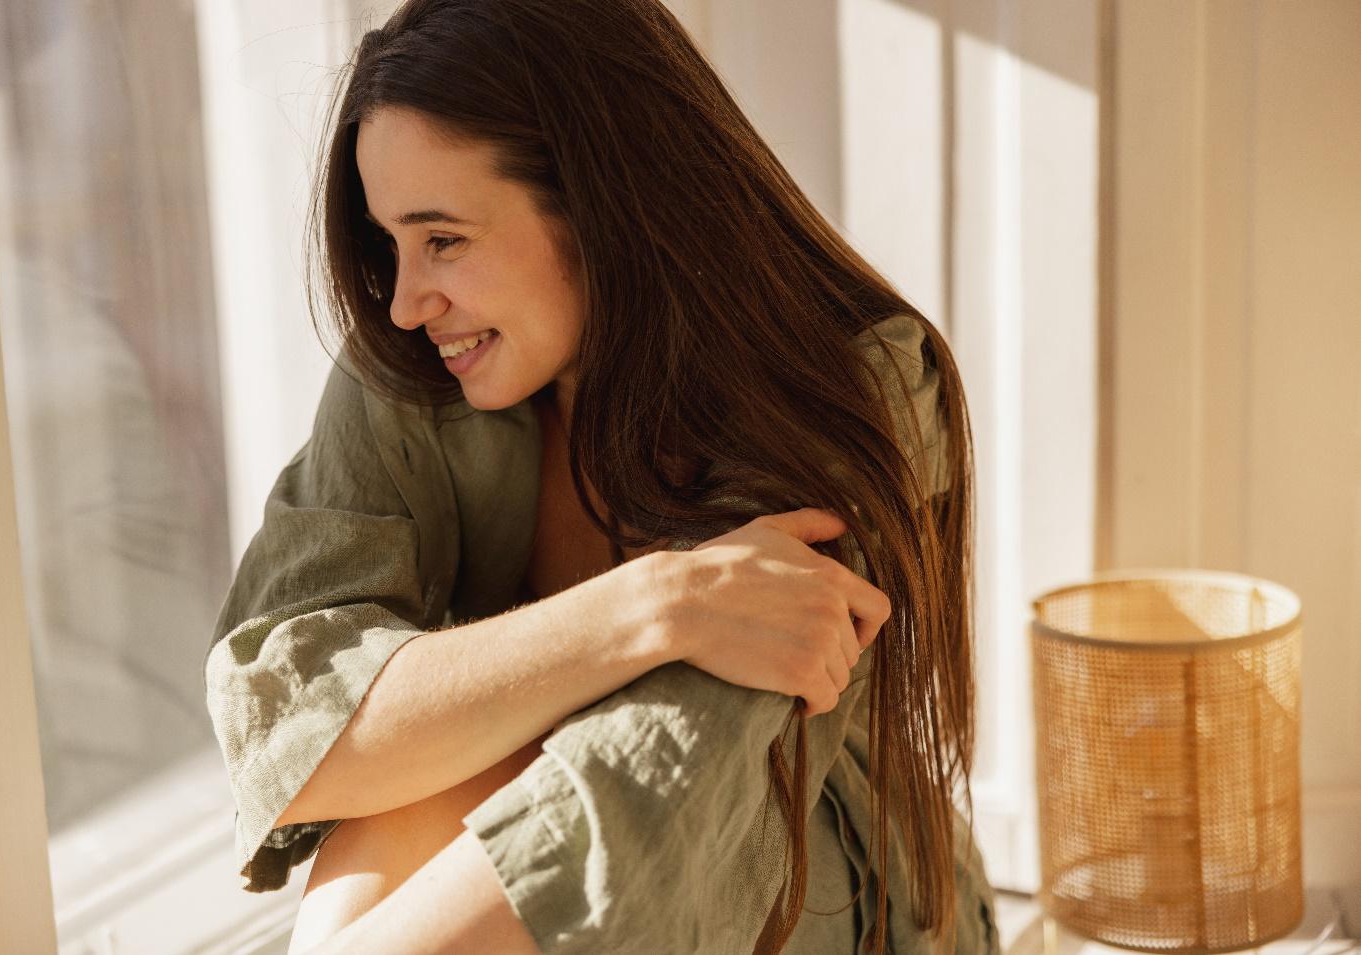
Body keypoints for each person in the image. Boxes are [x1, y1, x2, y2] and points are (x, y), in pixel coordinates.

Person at [201, 1, 1000, 952]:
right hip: (553, 870)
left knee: (468, 752)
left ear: (600, 204)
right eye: (388, 245)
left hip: (799, 880)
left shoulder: (851, 392)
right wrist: (654, 604)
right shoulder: (417, 369)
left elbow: (657, 794)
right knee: (425, 771)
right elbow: (292, 725)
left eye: (443, 238)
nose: (408, 301)